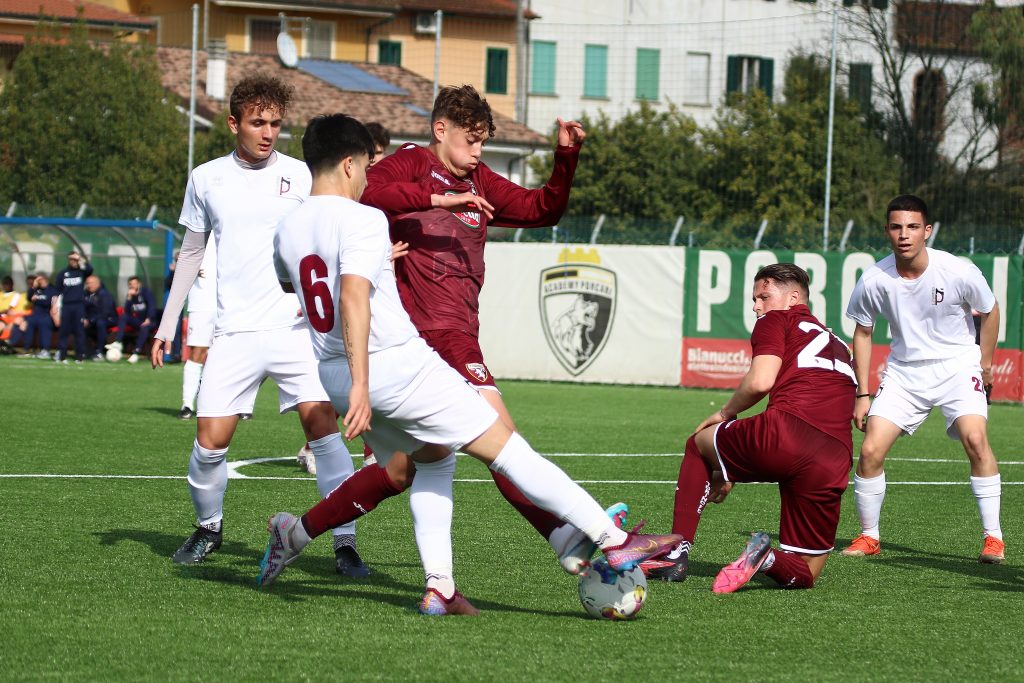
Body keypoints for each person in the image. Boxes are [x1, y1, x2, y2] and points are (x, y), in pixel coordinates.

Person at [257, 114, 683, 614]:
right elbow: (351, 295)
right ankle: (610, 539)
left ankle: (439, 585)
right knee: (507, 448)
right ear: (350, 164)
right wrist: (363, 381)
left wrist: (354, 375)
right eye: (368, 169)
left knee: (433, 459)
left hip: (333, 370)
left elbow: (297, 287)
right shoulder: (363, 218)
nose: (371, 178)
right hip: (393, 364)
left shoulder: (287, 228)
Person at [360, 84, 605, 575]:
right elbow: (367, 190)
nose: (477, 152)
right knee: (503, 439)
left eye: (482, 143)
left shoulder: (483, 182)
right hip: (428, 335)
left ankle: (299, 530)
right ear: (439, 130)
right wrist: (437, 198)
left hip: (459, 332)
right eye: (470, 141)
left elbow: (542, 210)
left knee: (407, 468)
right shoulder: (409, 163)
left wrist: (566, 158)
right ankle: (566, 534)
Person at [149, 74, 367, 576]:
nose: (268, 132)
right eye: (257, 123)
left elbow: (334, 230)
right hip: (235, 334)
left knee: (324, 434)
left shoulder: (302, 175)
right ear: (234, 123)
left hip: (296, 333)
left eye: (275, 123)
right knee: (208, 443)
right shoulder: (206, 178)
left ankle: (345, 541)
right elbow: (192, 252)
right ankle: (209, 529)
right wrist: (166, 324)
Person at [646, 263, 856, 593]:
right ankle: (767, 557)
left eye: (764, 296)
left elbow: (760, 381)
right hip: (834, 458)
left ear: (793, 298)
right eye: (754, 299)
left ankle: (675, 554)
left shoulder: (777, 319)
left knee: (698, 443)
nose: (757, 306)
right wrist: (728, 470)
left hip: (785, 434)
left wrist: (725, 413)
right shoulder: (840, 344)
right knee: (804, 572)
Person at [842, 195, 1004, 563]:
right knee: (869, 451)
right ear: (887, 231)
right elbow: (863, 333)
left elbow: (991, 310)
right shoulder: (874, 278)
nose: (904, 235)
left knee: (976, 439)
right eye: (897, 227)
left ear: (927, 231)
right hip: (904, 373)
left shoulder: (957, 270)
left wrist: (986, 362)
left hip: (958, 367)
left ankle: (993, 538)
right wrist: (863, 394)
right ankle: (869, 536)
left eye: (913, 227)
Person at [179, 239, 217, 420]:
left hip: (232, 302)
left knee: (233, 354)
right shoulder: (199, 232)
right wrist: (185, 264)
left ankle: (243, 407)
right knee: (197, 353)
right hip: (202, 303)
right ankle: (187, 404)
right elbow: (182, 256)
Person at [54, 250, 93, 363]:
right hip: (66, 305)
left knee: (79, 331)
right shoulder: (63, 273)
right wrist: (55, 307)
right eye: (71, 259)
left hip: (78, 305)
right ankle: (62, 355)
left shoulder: (81, 272)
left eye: (75, 260)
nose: (73, 262)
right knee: (64, 331)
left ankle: (80, 355)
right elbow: (57, 291)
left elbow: (90, 269)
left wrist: (81, 259)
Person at [9, 274, 59, 358]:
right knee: (25, 323)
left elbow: (51, 302)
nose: (40, 282)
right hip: (35, 314)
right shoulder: (36, 290)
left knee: (44, 324)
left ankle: (45, 350)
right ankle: (25, 348)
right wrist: (34, 286)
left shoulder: (52, 289)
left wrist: (39, 299)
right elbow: (29, 297)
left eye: (41, 279)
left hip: (46, 315)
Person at [110, 276, 156, 363]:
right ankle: (118, 342)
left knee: (144, 327)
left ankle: (136, 353)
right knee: (123, 316)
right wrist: (129, 298)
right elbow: (127, 312)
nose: (132, 286)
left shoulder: (146, 293)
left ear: (139, 284)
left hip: (150, 322)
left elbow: (151, 306)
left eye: (134, 284)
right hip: (138, 321)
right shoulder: (131, 296)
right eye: (130, 284)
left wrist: (149, 318)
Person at [82, 275, 117, 360]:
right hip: (92, 320)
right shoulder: (85, 294)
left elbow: (104, 313)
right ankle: (83, 351)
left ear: (98, 284)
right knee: (79, 324)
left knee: (100, 323)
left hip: (108, 319)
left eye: (91, 283)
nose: (89, 285)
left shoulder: (104, 294)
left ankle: (99, 352)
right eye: (87, 283)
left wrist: (90, 320)